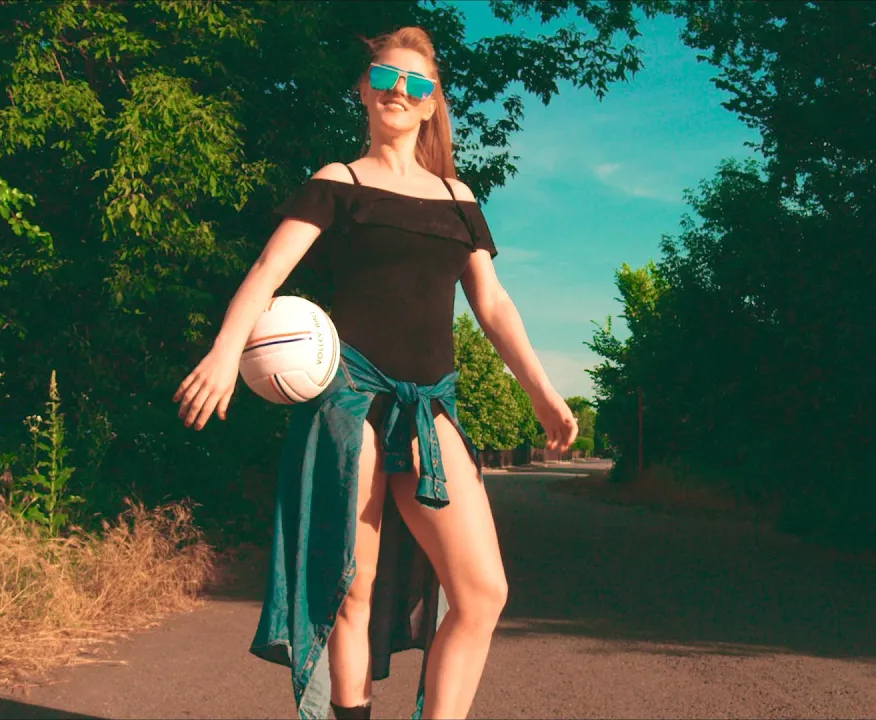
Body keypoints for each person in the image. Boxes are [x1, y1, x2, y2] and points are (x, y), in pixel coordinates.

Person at [172, 26, 578, 720]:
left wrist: (542, 392)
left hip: (428, 407)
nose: (400, 91)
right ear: (364, 89)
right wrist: (223, 352)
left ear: (431, 104)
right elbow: (269, 271)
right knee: (349, 591)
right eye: (386, 77)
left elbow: (493, 304)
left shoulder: (457, 196)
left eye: (417, 84)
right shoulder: (339, 183)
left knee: (483, 593)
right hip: (347, 400)